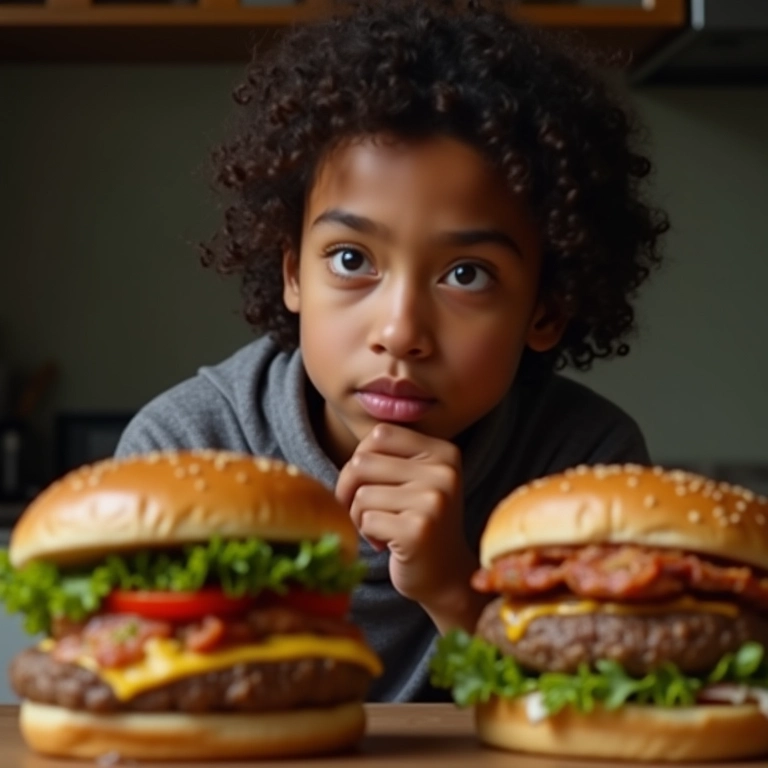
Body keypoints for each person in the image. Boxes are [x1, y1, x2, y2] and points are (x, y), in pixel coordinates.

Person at [115, 0, 669, 702]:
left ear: (546, 309)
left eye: (466, 274)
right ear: (292, 273)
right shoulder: (184, 449)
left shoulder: (582, 467)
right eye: (352, 259)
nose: (401, 330)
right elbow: (130, 695)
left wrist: (453, 587)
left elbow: (603, 718)